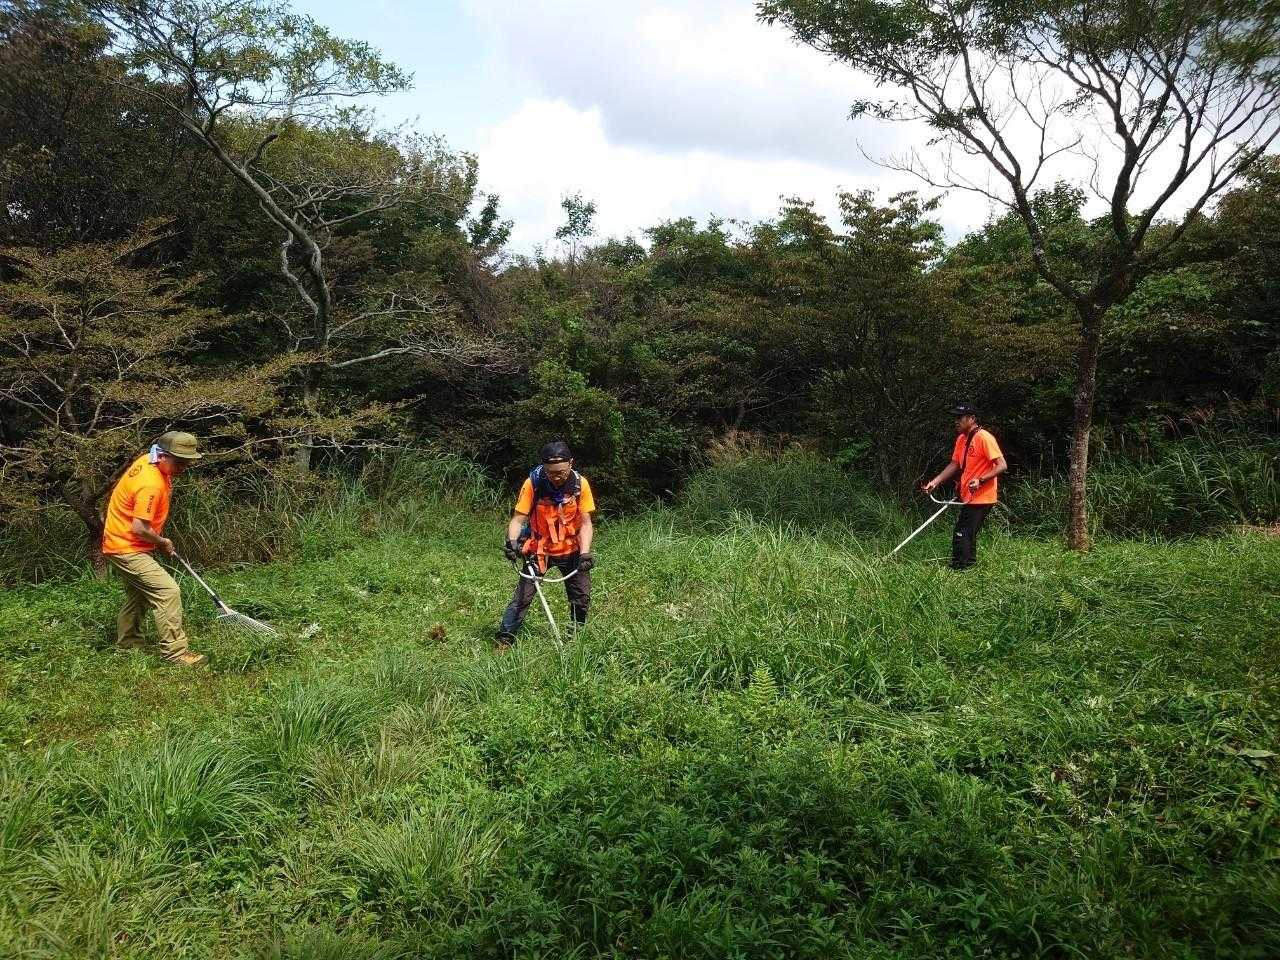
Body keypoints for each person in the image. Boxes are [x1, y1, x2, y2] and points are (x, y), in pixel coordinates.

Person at [101, 431, 207, 666]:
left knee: (139, 594)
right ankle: (176, 653)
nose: (183, 468)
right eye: (179, 462)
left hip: (124, 542)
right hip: (126, 546)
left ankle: (128, 644)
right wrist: (162, 542)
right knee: (168, 592)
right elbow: (139, 528)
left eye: (187, 463)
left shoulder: (148, 460)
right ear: (163, 456)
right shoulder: (150, 484)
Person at [495, 440, 596, 649]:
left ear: (571, 463)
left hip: (572, 550)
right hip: (539, 550)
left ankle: (575, 639)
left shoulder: (580, 484)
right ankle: (504, 639)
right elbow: (518, 520)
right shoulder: (533, 483)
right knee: (523, 597)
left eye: (561, 472)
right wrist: (512, 542)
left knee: (581, 596)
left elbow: (586, 522)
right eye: (550, 472)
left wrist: (585, 553)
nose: (556, 477)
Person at [922, 404, 1007, 570]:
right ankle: (966, 565)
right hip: (968, 495)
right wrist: (935, 481)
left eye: (960, 417)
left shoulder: (984, 438)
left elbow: (1002, 465)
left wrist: (980, 480)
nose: (956, 421)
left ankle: (961, 568)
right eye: (955, 417)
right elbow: (954, 464)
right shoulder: (961, 439)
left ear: (972, 419)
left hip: (982, 496)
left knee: (963, 532)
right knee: (966, 531)